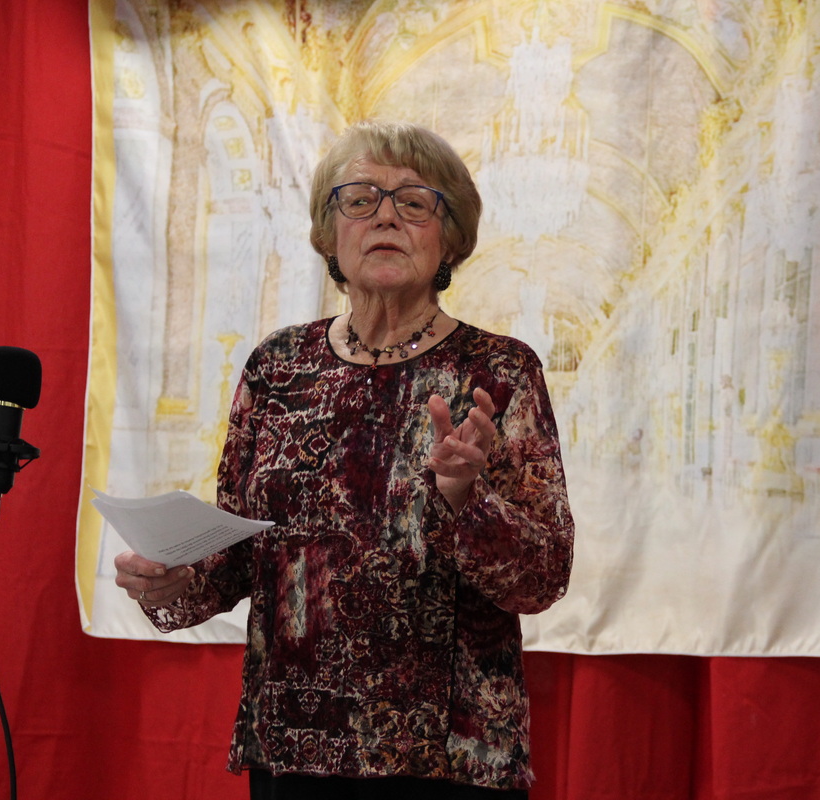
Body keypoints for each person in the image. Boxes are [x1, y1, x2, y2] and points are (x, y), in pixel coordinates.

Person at [113, 120, 574, 799]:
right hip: (291, 750)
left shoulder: (500, 372)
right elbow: (239, 553)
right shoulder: (277, 366)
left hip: (446, 759)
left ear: (450, 237)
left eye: (414, 202)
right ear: (329, 234)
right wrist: (173, 580)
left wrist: (464, 500)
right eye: (359, 200)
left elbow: (544, 578)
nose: (385, 216)